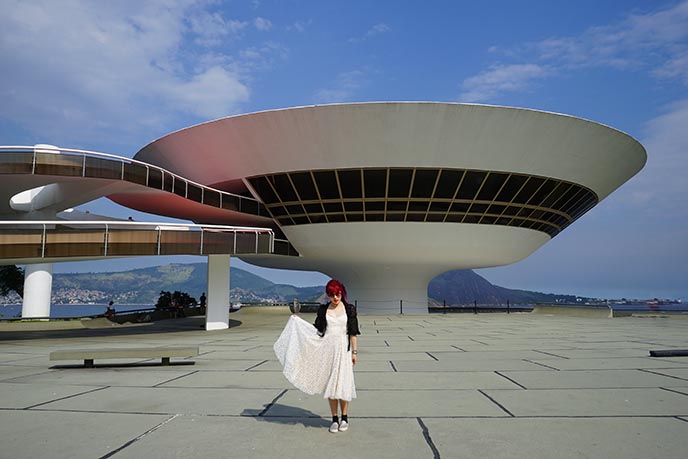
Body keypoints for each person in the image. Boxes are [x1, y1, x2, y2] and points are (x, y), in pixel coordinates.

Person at [273, 279, 360, 433]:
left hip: (343, 351)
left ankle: (344, 418)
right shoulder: (323, 310)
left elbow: (353, 332)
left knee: (343, 384)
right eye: (332, 294)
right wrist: (298, 322)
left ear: (342, 293)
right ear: (328, 295)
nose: (335, 297)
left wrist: (354, 352)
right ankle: (334, 419)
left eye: (338, 294)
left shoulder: (349, 309)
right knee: (331, 385)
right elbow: (317, 330)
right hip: (327, 350)